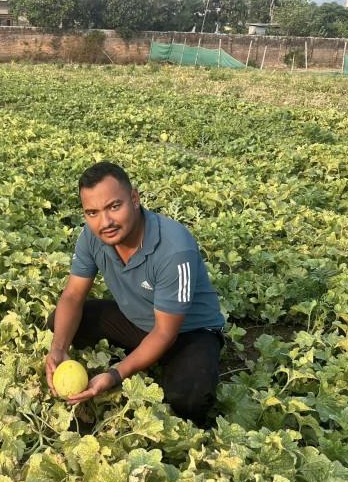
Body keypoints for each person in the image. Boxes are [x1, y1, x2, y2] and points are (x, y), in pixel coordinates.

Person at [45, 161, 225, 427]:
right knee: (60, 322)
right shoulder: (92, 236)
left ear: (134, 198)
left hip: (188, 333)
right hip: (138, 320)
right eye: (92, 212)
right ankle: (141, 358)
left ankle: (156, 365)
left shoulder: (174, 250)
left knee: (188, 398)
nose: (104, 222)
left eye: (113, 207)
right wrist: (58, 348)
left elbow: (165, 333)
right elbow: (72, 296)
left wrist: (116, 375)